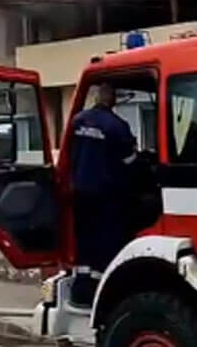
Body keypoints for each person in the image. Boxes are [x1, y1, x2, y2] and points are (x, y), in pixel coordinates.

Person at [68, 81, 139, 306]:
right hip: (107, 194)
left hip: (81, 192)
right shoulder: (116, 126)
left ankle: (81, 288)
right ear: (112, 99)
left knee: (84, 240)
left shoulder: (77, 121)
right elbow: (129, 161)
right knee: (106, 242)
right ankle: (100, 290)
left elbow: (70, 155)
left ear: (97, 97)